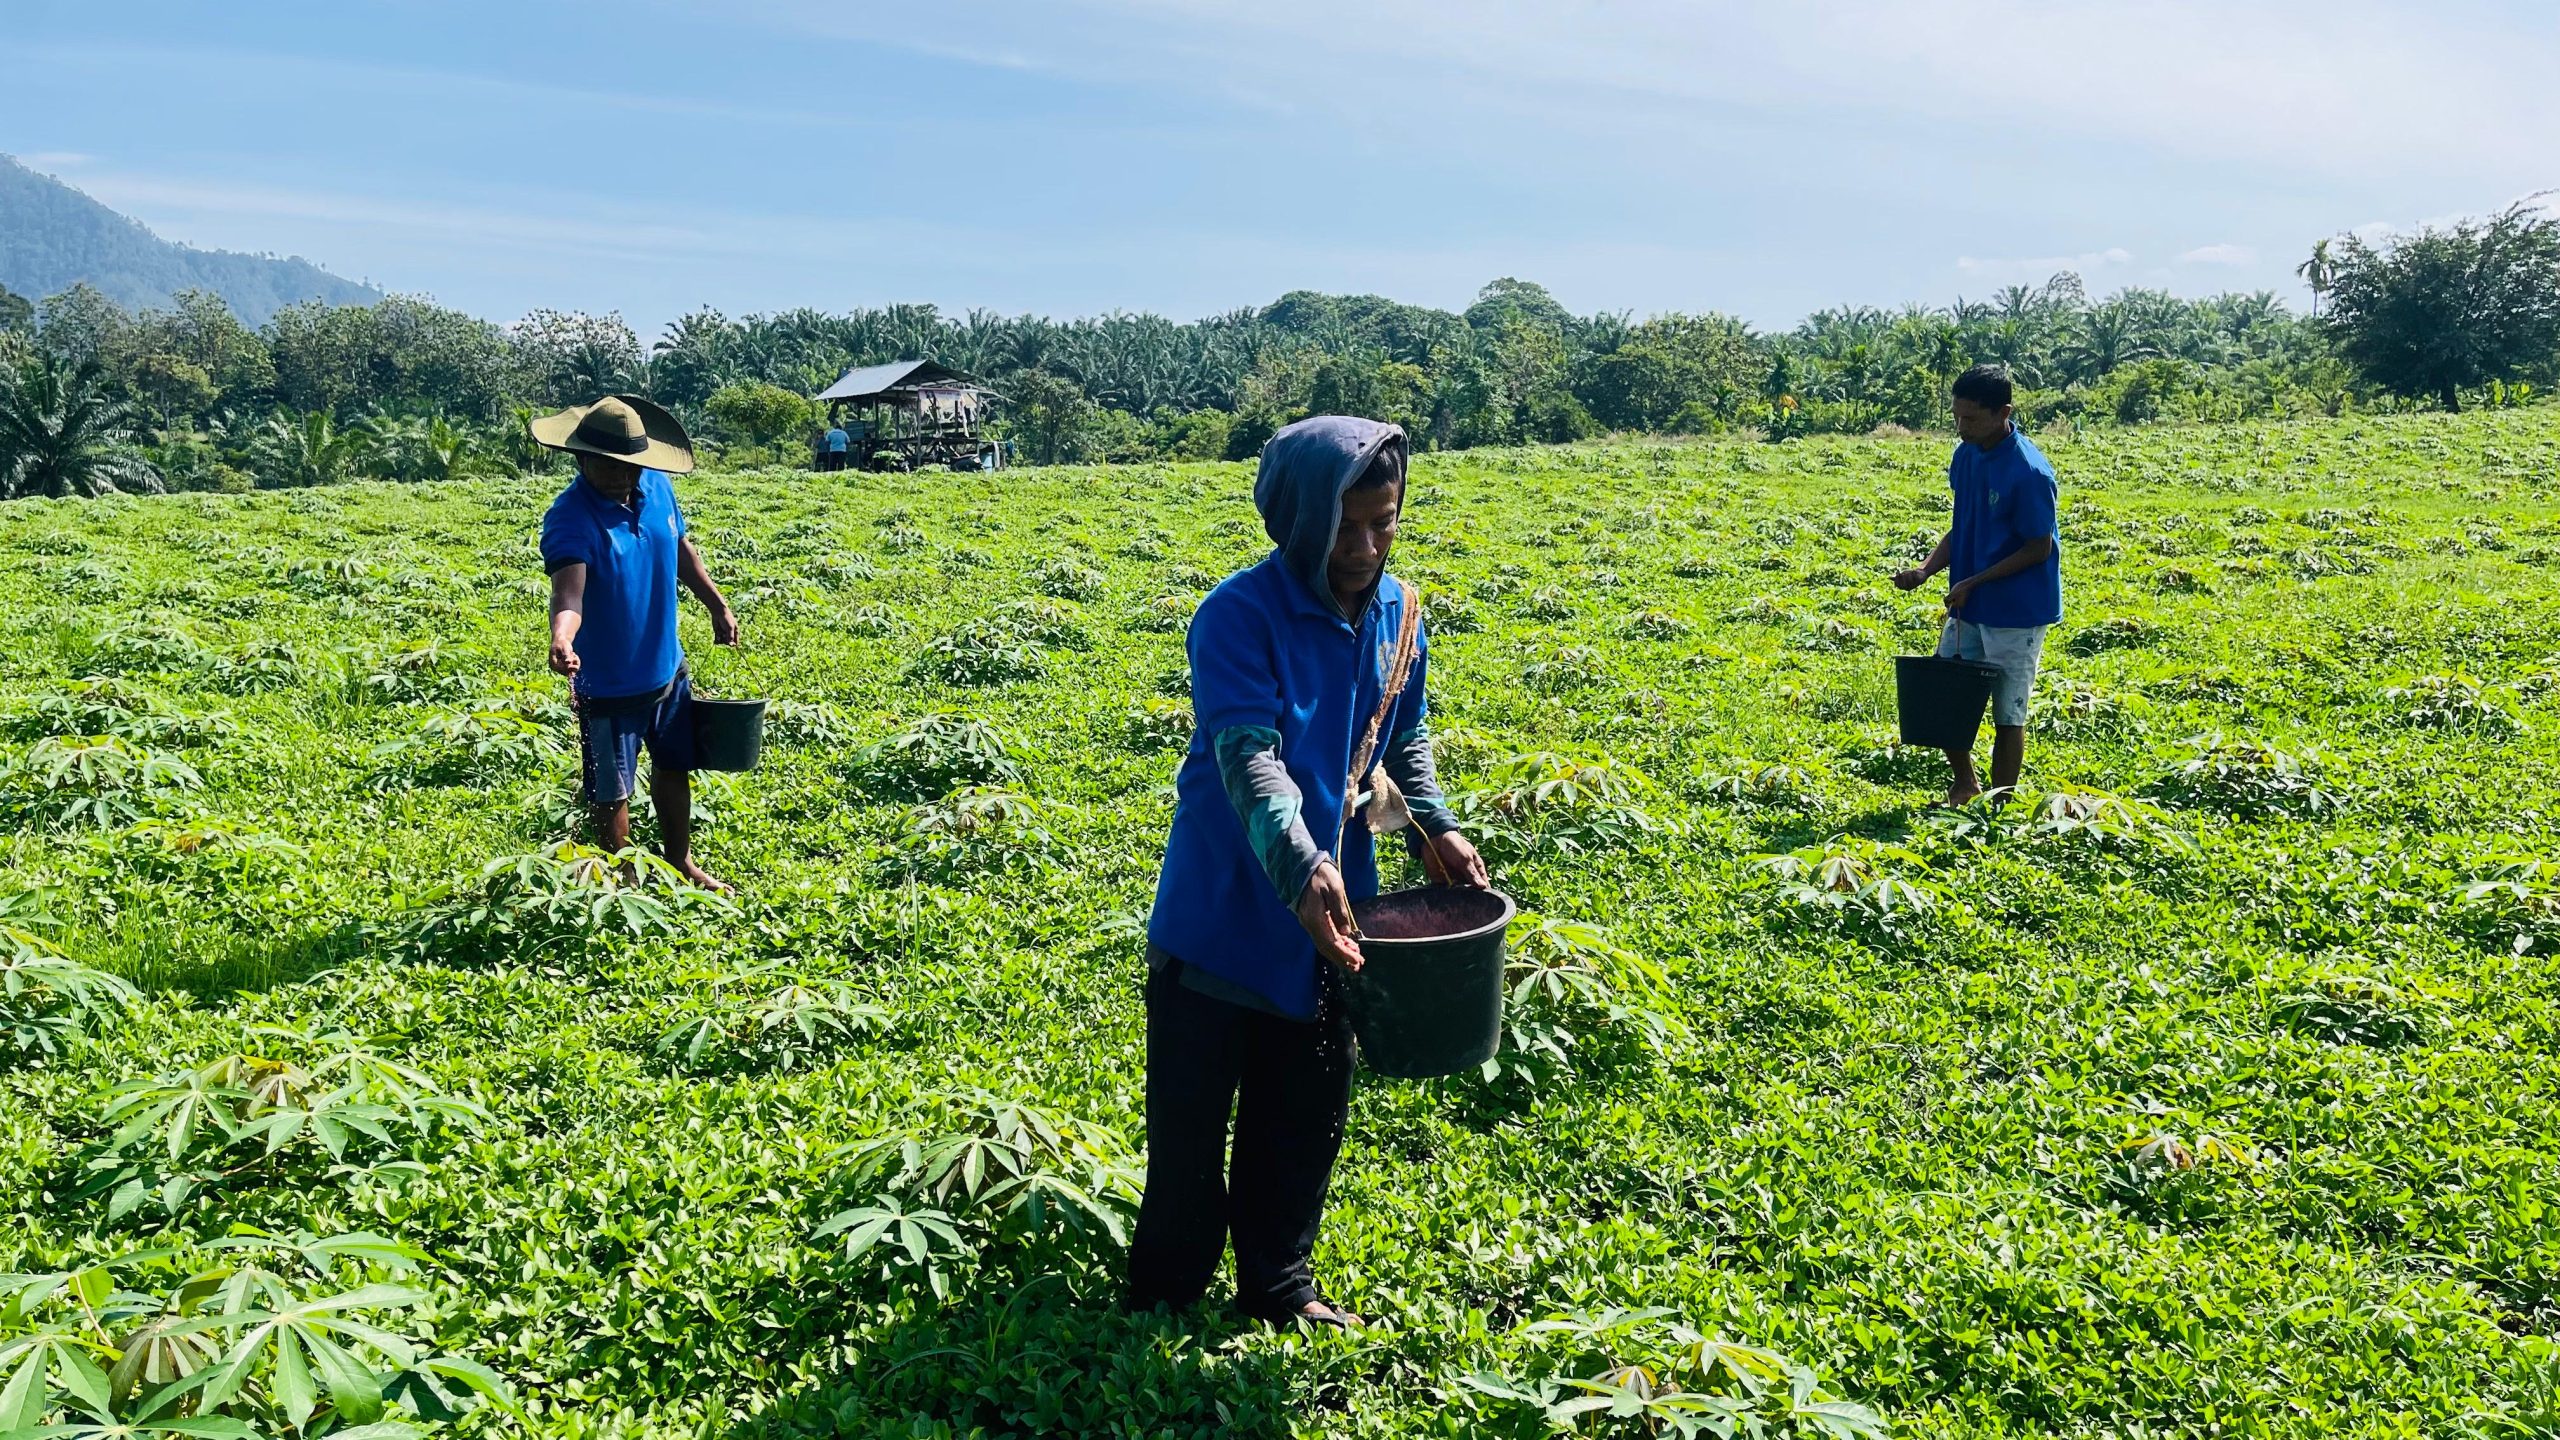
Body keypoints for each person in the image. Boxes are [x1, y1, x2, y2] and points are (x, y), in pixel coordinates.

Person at [1127, 415, 1491, 1329]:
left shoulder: (1401, 614)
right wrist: (1301, 865)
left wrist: (1435, 828)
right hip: (1224, 911)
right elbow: (1247, 754)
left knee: (1302, 1114)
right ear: (1296, 522)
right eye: (1344, 528)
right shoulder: (1237, 616)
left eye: (1383, 523)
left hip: (1335, 914)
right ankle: (1165, 1291)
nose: (1365, 548)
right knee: (1189, 1125)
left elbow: (1402, 738)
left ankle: (1278, 1288)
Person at [533, 394, 740, 891]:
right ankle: (623, 884)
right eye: (609, 466)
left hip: (667, 670)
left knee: (674, 766)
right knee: (612, 792)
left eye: (630, 466)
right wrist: (562, 636)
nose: (622, 476)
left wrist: (717, 605)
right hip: (609, 685)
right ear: (581, 459)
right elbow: (569, 593)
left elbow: (680, 549)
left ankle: (680, 861)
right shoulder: (570, 517)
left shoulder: (657, 487)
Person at [1893, 364, 2062, 806]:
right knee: (1946, 694)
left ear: (2003, 412)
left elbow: (2038, 547)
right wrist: (1926, 569)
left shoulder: (2029, 472)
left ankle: (2000, 804)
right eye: (1956, 416)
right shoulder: (1965, 456)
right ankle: (1965, 784)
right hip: (1969, 601)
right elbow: (1965, 525)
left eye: (1970, 418)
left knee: (2009, 711)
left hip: (2017, 609)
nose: (1961, 426)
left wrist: (1975, 580)